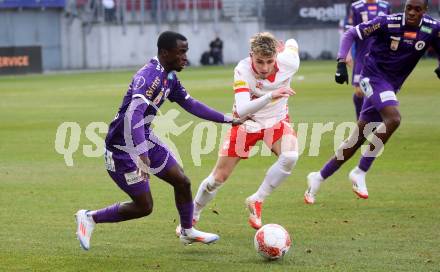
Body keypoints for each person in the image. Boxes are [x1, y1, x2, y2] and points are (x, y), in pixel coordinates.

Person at [75, 31, 240, 250]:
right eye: (181, 52)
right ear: (165, 52)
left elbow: (190, 104)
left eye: (186, 52)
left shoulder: (170, 76)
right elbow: (134, 115)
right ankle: (89, 217)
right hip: (122, 149)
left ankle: (187, 231)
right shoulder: (149, 76)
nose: (185, 57)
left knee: (182, 181)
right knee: (144, 207)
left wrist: (227, 119)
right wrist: (142, 157)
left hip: (144, 138)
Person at [304, 0, 440, 204]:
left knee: (359, 136)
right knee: (393, 119)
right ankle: (360, 170)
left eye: (417, 9)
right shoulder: (388, 22)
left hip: (391, 85)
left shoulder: (432, 27)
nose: (411, 12)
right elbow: (350, 33)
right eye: (408, 8)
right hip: (372, 77)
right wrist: (341, 61)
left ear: (425, 11)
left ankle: (318, 177)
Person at [187, 32, 300, 230]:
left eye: (269, 61)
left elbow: (292, 43)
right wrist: (270, 95)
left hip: (276, 121)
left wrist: (287, 46)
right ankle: (192, 214)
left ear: (277, 56)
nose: (264, 68)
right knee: (217, 178)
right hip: (246, 123)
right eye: (259, 62)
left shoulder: (290, 62)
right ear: (251, 56)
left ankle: (257, 200)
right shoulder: (242, 70)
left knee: (290, 156)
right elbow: (242, 109)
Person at [349, 0, 391, 120]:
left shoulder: (385, 6)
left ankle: (374, 120)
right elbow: (351, 32)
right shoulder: (356, 7)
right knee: (359, 92)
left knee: (377, 91)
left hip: (380, 56)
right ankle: (360, 120)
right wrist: (347, 53)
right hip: (362, 55)